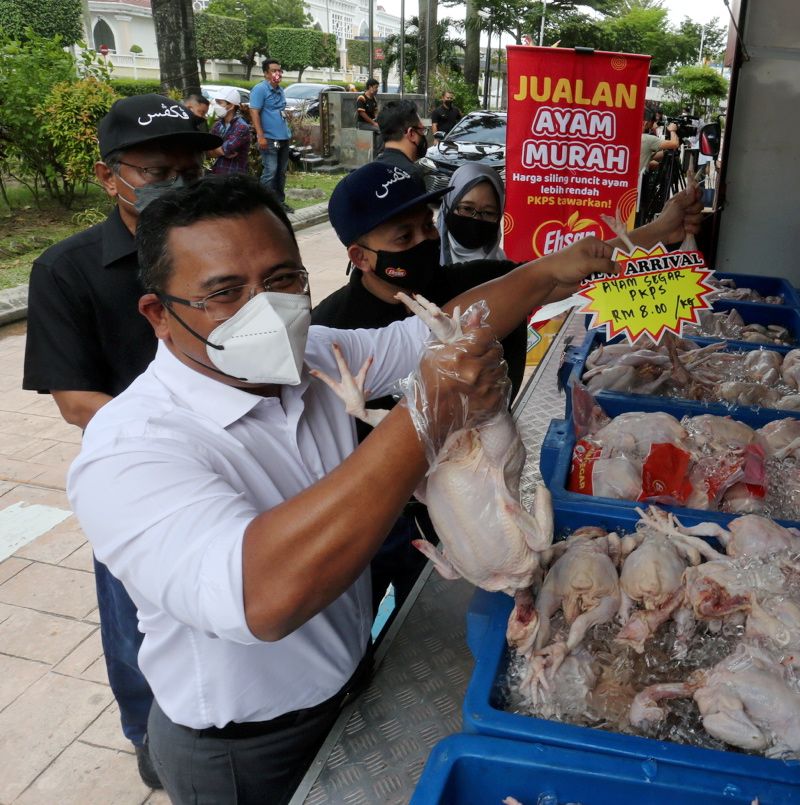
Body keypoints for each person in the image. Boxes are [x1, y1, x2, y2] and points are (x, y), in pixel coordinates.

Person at [66, 172, 699, 801]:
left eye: (282, 280)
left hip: (352, 683)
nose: (265, 308)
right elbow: (262, 596)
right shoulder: (129, 449)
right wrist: (427, 412)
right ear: (159, 314)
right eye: (225, 292)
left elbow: (440, 329)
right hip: (245, 749)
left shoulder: (313, 354)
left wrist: (551, 272)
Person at [22, 93, 221, 791]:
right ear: (110, 178)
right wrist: (177, 442)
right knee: (133, 612)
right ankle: (145, 728)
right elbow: (74, 398)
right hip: (141, 473)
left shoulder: (224, 246)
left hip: (238, 452)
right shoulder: (66, 270)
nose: (179, 185)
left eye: (192, 171)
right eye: (159, 172)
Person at [313, 162, 522, 608]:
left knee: (434, 612)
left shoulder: (474, 290)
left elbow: (542, 279)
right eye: (403, 238)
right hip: (368, 521)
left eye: (427, 226)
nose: (424, 242)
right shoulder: (330, 329)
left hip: (460, 511)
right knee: (359, 620)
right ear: (361, 257)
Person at [438, 163, 507, 265]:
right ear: (449, 206)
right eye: (467, 208)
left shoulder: (503, 264)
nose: (476, 218)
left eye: (488, 212)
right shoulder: (425, 259)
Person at [249, 58, 293, 212]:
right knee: (270, 171)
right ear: (266, 73)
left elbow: (279, 111)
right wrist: (260, 136)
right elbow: (254, 112)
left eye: (279, 70)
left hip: (283, 137)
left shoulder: (280, 90)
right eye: (274, 71)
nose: (278, 73)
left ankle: (279, 202)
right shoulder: (260, 89)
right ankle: (263, 205)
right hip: (269, 138)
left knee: (281, 172)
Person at [375, 100, 433, 187]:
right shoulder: (412, 175)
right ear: (411, 134)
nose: (424, 135)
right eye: (422, 130)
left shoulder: (370, 170)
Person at [207, 87, 252, 175]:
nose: (215, 105)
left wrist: (220, 150)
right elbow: (207, 150)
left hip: (234, 176)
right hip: (217, 173)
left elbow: (226, 149)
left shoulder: (241, 127)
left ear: (231, 106)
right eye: (216, 102)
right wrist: (221, 151)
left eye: (219, 102)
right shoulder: (218, 125)